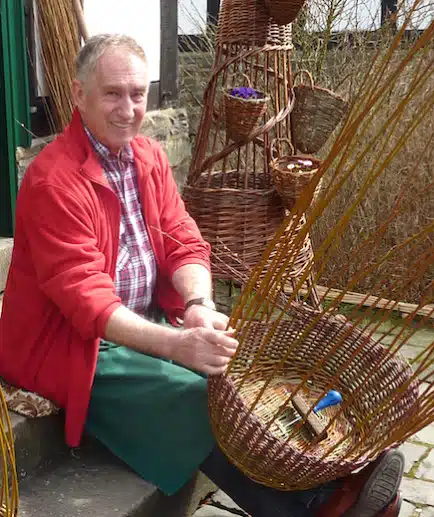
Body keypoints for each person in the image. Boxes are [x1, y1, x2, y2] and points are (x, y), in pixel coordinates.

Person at [0, 34, 404, 517]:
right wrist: (174, 346)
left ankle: (327, 480)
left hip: (139, 320)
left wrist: (198, 306)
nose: (128, 108)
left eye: (136, 93)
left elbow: (184, 241)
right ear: (78, 95)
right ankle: (318, 505)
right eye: (112, 93)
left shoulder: (147, 157)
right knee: (197, 395)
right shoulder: (53, 180)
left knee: (233, 376)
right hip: (69, 343)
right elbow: (86, 301)